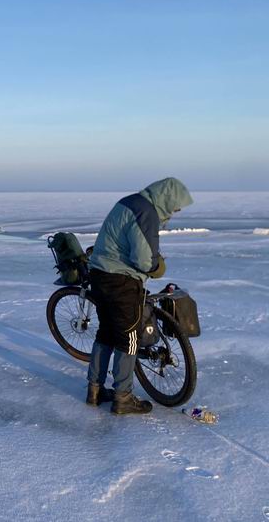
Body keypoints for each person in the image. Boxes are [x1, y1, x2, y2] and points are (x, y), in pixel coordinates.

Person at [86, 177, 193, 415]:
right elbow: (144, 260)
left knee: (106, 332)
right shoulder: (147, 213)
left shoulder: (130, 202)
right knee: (129, 337)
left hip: (99, 274)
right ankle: (123, 398)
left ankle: (94, 390)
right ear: (167, 198)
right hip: (121, 281)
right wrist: (157, 267)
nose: (175, 212)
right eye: (175, 206)